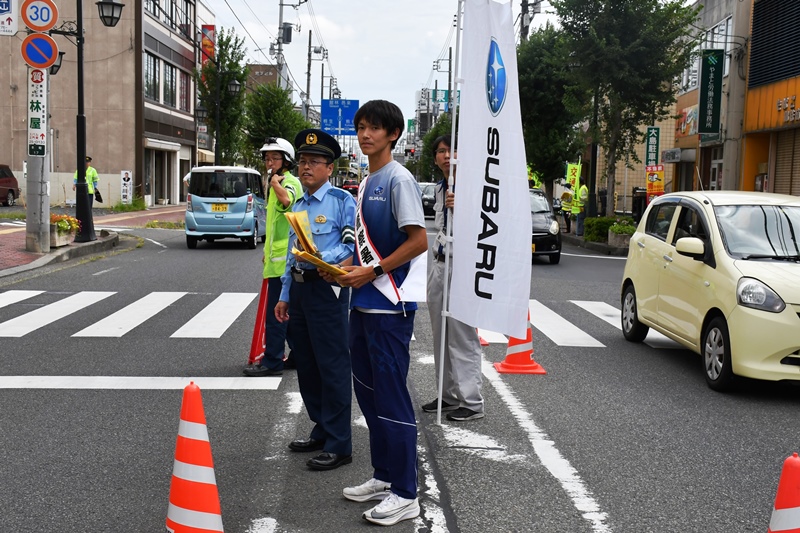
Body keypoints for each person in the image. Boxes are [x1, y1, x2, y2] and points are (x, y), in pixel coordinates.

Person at [335, 100, 428, 527]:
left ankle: (406, 493)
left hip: (391, 307)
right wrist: (344, 272)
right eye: (360, 127)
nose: (365, 134)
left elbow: (418, 241)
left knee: (391, 398)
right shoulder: (367, 180)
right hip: (364, 304)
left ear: (394, 134)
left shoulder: (397, 179)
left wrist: (371, 269)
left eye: (374, 127)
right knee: (369, 396)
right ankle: (384, 475)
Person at [274, 129, 356, 471]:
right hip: (300, 289)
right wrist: (284, 295)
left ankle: (340, 442)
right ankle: (322, 428)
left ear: (329, 167)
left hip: (327, 288)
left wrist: (321, 255)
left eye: (313, 162)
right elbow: (293, 256)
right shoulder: (298, 205)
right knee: (306, 365)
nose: (306, 167)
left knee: (332, 366)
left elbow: (350, 246)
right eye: (303, 161)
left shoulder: (341, 201)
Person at [424, 135, 485, 422]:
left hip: (463, 266)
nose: (447, 156)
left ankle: (471, 401)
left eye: (452, 150)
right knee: (440, 333)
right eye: (441, 151)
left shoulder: (476, 188)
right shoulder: (439, 188)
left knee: (462, 334)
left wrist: (463, 206)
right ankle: (447, 394)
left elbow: (486, 227)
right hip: (440, 263)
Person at [244, 137, 302, 377]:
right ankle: (298, 355)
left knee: (275, 315)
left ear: (286, 160)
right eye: (267, 158)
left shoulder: (289, 182)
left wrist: (275, 182)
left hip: (284, 263)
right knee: (287, 314)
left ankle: (272, 361)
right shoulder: (278, 181)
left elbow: (287, 200)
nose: (269, 163)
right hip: (276, 260)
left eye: (274, 158)